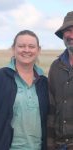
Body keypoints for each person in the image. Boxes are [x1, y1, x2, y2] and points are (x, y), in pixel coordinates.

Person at [0, 30, 49, 150]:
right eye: (21, 46)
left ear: (38, 50)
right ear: (13, 49)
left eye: (31, 46)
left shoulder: (44, 83)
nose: (26, 50)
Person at [47, 11, 73, 150]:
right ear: (63, 34)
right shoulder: (56, 67)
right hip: (59, 146)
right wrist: (50, 146)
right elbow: (51, 110)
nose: (71, 35)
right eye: (68, 30)